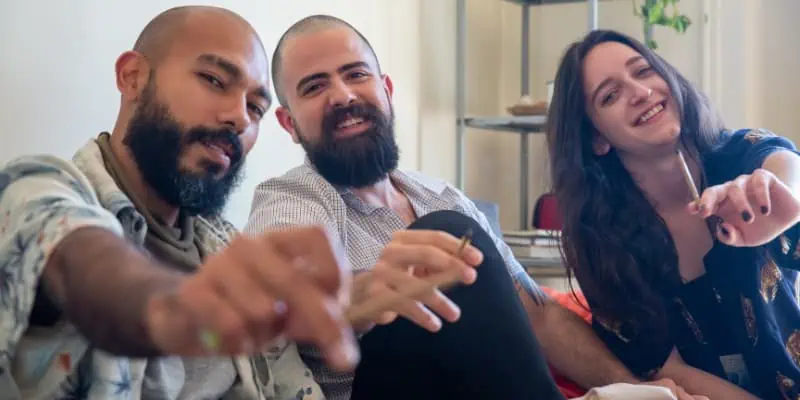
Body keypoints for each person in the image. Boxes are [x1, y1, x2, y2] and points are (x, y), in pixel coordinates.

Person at [245, 15, 704, 400]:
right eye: (314, 87)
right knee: (446, 238)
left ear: (385, 89)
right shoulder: (291, 198)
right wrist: (371, 291)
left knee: (451, 229)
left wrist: (636, 389)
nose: (342, 95)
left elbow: (537, 313)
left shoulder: (441, 194)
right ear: (289, 123)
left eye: (356, 74)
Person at [0, 6, 359, 399]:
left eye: (255, 107)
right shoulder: (35, 188)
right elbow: (81, 262)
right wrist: (170, 309)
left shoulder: (222, 243)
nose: (239, 118)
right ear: (132, 76)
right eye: (214, 80)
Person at [546, 28, 800, 399]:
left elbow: (783, 163)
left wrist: (781, 197)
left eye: (644, 71)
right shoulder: (599, 238)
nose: (640, 92)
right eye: (611, 95)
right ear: (596, 139)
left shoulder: (739, 156)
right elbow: (667, 368)